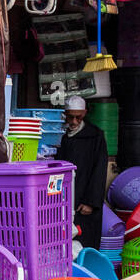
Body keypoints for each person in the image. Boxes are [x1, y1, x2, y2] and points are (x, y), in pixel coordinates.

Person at [55, 95, 108, 250]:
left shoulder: (95, 136)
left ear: (84, 113)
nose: (74, 122)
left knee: (85, 241)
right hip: (65, 196)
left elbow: (100, 170)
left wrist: (91, 201)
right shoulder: (61, 136)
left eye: (78, 117)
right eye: (70, 117)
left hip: (85, 197)